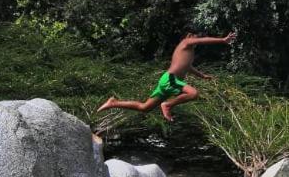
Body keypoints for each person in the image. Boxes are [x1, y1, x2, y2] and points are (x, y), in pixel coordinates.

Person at [97, 31, 237, 122]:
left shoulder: (188, 54)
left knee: (145, 107)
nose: (196, 41)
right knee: (194, 93)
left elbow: (188, 68)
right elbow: (202, 40)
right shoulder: (185, 43)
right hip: (171, 79)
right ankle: (167, 105)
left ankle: (114, 103)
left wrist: (203, 76)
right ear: (189, 36)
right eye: (195, 37)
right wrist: (222, 40)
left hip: (167, 82)